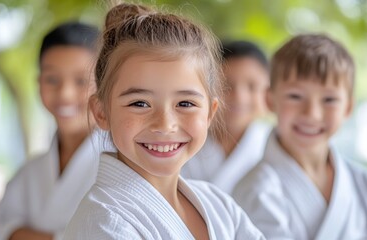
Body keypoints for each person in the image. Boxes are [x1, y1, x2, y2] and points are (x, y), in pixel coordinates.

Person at [63, 3, 265, 240]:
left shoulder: (219, 206)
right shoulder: (105, 223)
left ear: (210, 113)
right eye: (139, 103)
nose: (165, 124)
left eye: (186, 104)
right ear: (101, 112)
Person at [233, 34, 367, 240]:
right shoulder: (255, 191)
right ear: (270, 100)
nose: (312, 113)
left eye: (329, 99)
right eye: (295, 96)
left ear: (347, 108)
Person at [0, 22, 111, 240]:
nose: (65, 94)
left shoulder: (121, 163)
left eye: (81, 80)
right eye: (52, 79)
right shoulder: (27, 175)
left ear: (104, 87)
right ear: (39, 82)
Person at [181, 40, 271, 194]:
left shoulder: (272, 145)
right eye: (226, 85)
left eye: (252, 86)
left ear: (269, 91)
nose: (240, 97)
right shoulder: (184, 140)